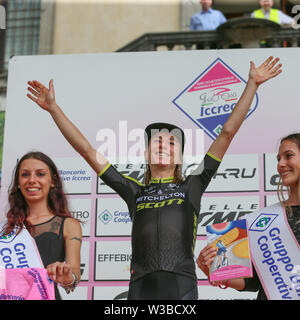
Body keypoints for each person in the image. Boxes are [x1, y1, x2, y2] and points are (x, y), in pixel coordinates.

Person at [26, 56, 281, 300]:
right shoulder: (133, 191)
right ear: (146, 152)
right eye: (156, 141)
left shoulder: (193, 184)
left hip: (181, 287)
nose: (163, 145)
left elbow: (227, 132)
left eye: (171, 143)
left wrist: (252, 84)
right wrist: (53, 109)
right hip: (139, 288)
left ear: (180, 156)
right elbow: (87, 150)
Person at [197, 133, 300, 299]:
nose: (281, 164)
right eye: (278, 158)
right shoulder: (265, 218)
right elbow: (253, 282)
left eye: (289, 156)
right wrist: (213, 271)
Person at [2, 151, 82, 300]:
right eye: (25, 175)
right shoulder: (4, 228)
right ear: (18, 183)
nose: (32, 180)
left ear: (53, 181)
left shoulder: (69, 225)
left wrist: (66, 277)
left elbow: (74, 275)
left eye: (40, 174)